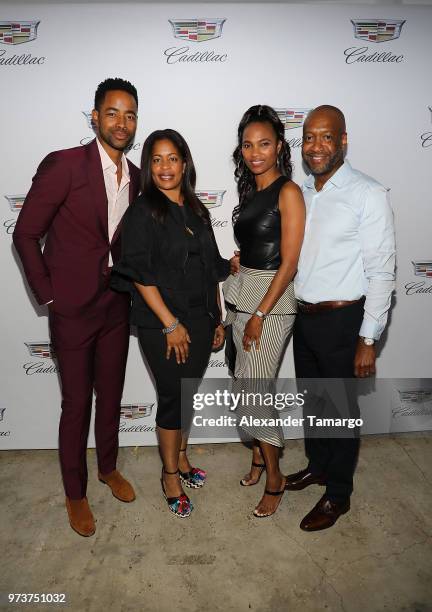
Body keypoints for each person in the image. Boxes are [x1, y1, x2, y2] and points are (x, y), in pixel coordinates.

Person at [13, 78, 140, 537]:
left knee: (111, 397)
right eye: (112, 113)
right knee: (75, 405)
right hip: (72, 309)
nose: (121, 123)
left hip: (115, 307)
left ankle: (108, 467)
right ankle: (75, 492)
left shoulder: (137, 176)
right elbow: (24, 234)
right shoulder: (65, 165)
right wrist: (49, 296)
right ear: (94, 117)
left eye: (129, 115)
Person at [286, 105, 396, 531]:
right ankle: (318, 467)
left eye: (326, 137)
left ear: (343, 140)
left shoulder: (368, 194)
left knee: (340, 412)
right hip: (305, 318)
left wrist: (368, 339)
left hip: (343, 321)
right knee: (315, 406)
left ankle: (338, 495)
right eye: (309, 137)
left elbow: (382, 270)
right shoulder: (302, 193)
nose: (316, 146)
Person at [111, 129, 229, 518]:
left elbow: (209, 267)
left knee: (186, 396)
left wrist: (217, 316)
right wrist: (169, 324)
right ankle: (169, 476)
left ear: (185, 163)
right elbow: (140, 275)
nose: (165, 167)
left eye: (172, 158)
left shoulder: (196, 209)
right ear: (149, 166)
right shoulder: (143, 211)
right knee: (172, 398)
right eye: (157, 159)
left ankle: (181, 458)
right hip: (163, 324)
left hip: (200, 317)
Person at [223, 105, 305, 518]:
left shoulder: (289, 191)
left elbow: (289, 262)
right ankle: (258, 457)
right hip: (245, 292)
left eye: (264, 144)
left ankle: (275, 479)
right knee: (245, 388)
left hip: (270, 304)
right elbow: (263, 245)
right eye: (248, 145)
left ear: (278, 147)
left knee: (254, 392)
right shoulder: (254, 191)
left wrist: (258, 314)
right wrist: (242, 258)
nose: (255, 152)